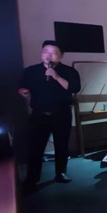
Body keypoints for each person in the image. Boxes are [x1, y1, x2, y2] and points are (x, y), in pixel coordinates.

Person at [19, 40, 81, 187]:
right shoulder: (31, 71)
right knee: (35, 147)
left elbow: (74, 88)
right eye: (46, 51)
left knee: (62, 145)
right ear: (42, 53)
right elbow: (21, 86)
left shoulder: (69, 71)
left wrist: (56, 76)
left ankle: (61, 173)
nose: (49, 55)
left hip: (62, 114)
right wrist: (22, 90)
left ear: (61, 56)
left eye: (54, 53)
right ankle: (32, 178)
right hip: (39, 114)